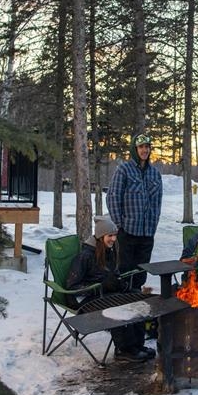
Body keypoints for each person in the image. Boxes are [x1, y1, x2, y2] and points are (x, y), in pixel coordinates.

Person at [67, 216, 155, 363]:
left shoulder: (109, 252)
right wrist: (100, 287)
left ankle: (137, 346)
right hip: (84, 301)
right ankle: (123, 349)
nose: (114, 239)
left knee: (137, 297)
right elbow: (73, 288)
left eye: (115, 235)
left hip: (105, 294)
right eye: (110, 236)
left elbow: (113, 276)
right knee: (118, 307)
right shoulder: (85, 256)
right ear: (101, 236)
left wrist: (121, 285)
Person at [106, 133, 163, 290]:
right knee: (125, 271)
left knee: (141, 273)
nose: (144, 150)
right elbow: (112, 197)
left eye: (147, 147)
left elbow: (157, 202)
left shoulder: (155, 174)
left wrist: (153, 224)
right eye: (141, 147)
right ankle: (124, 300)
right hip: (128, 231)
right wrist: (120, 224)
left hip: (147, 233)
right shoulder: (124, 170)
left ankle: (137, 299)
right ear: (135, 149)